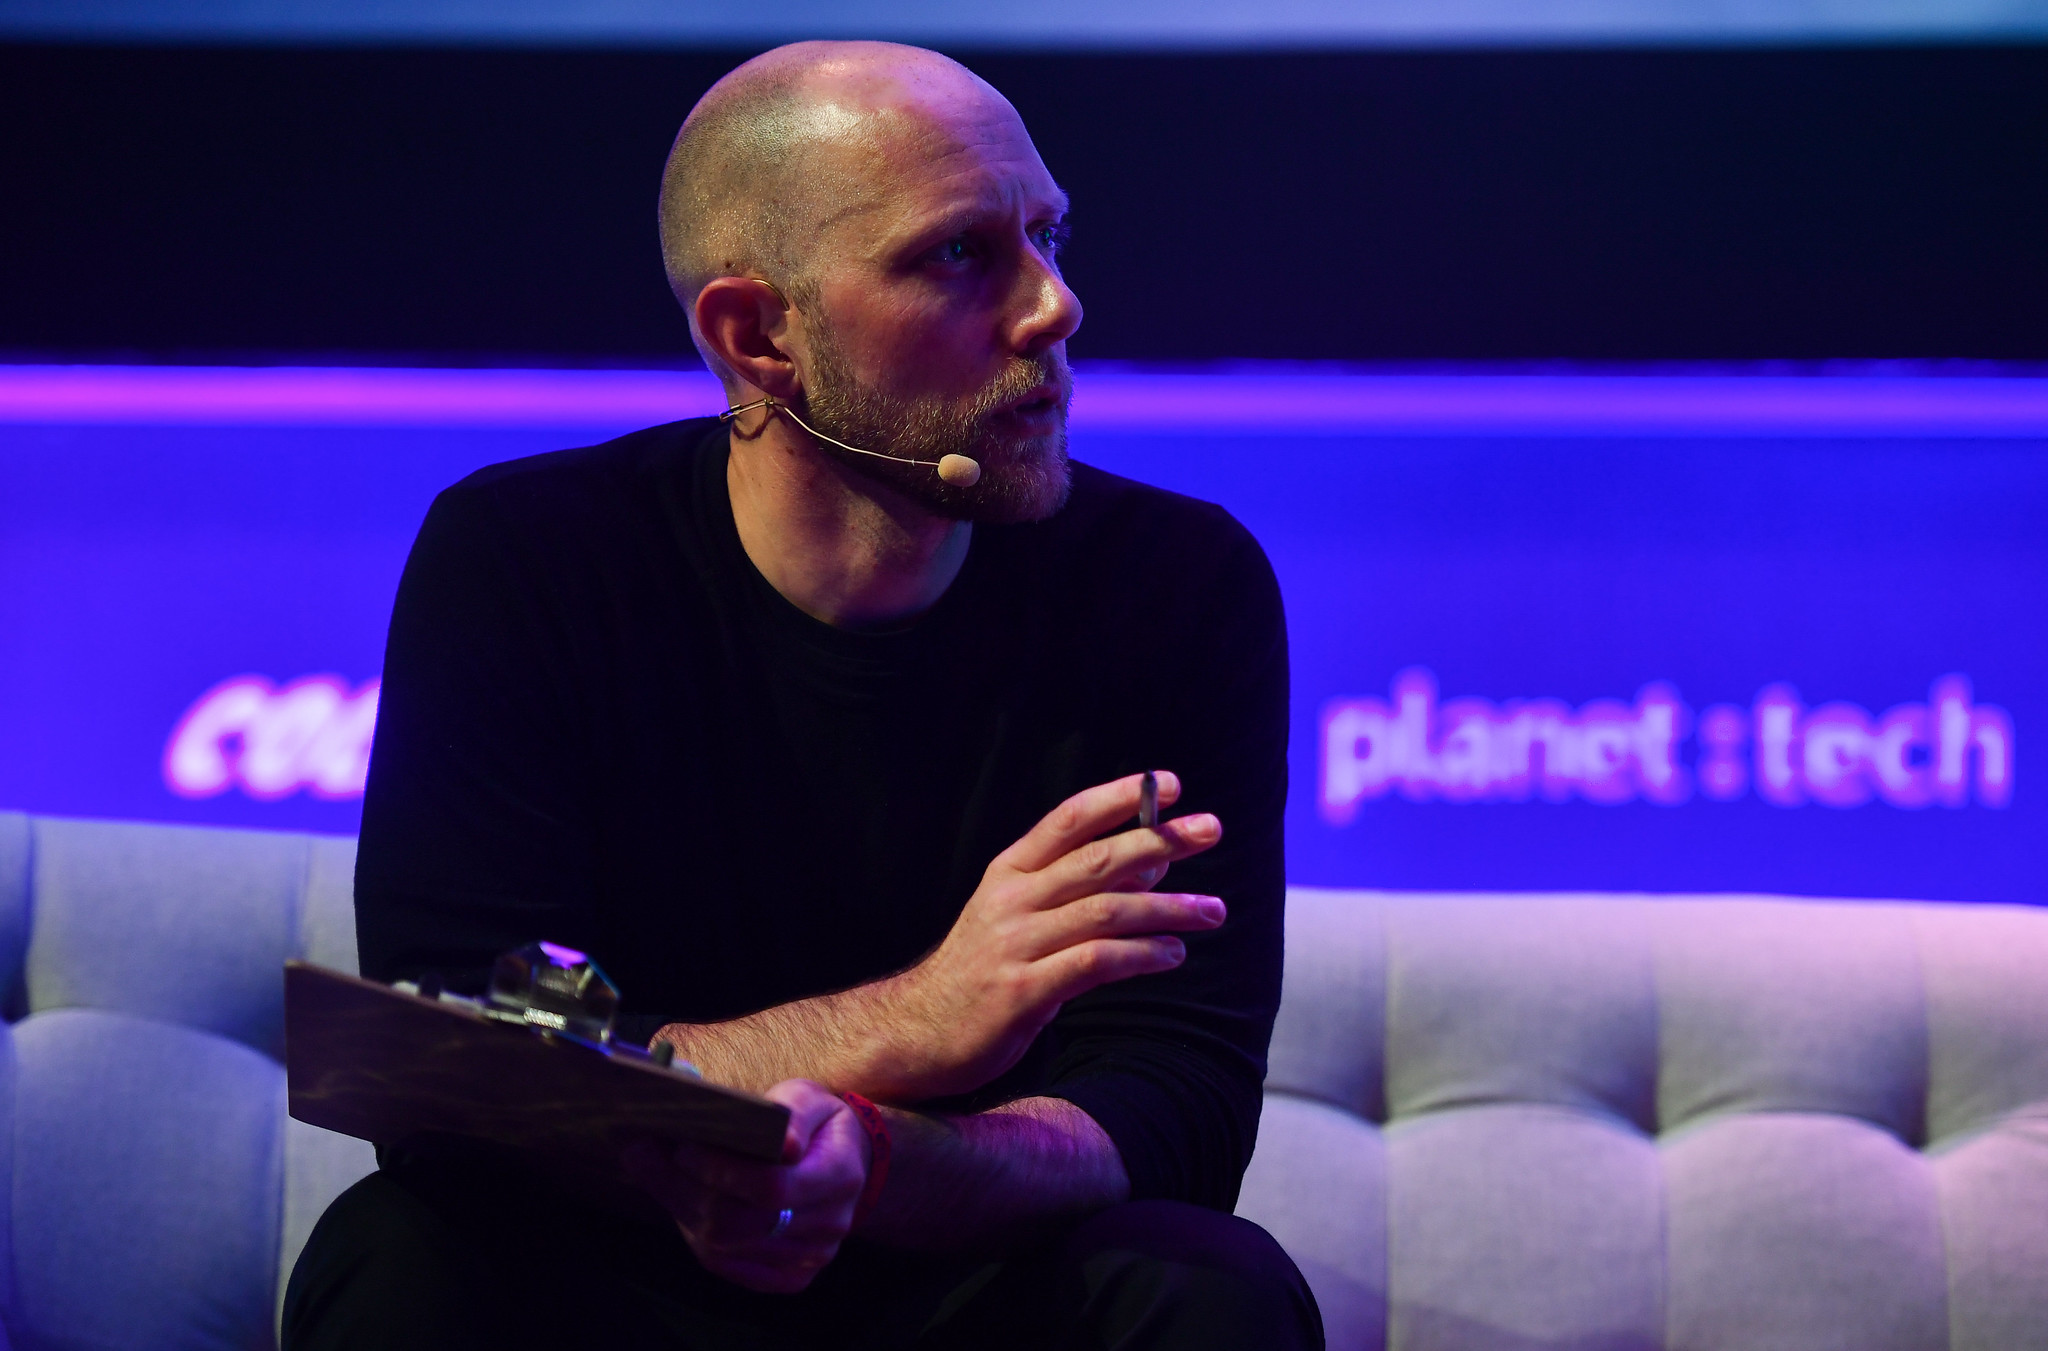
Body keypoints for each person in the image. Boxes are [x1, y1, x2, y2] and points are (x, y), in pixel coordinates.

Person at [283, 39, 1318, 1351]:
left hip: (976, 1274)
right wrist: (919, 1019)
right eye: (959, 255)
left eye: (1051, 237)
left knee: (1201, 1281)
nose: (1053, 308)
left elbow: (1173, 1107)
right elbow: (471, 1065)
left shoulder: (1175, 585)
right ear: (759, 334)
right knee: (403, 1261)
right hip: (621, 1271)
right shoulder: (530, 560)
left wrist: (874, 1161)